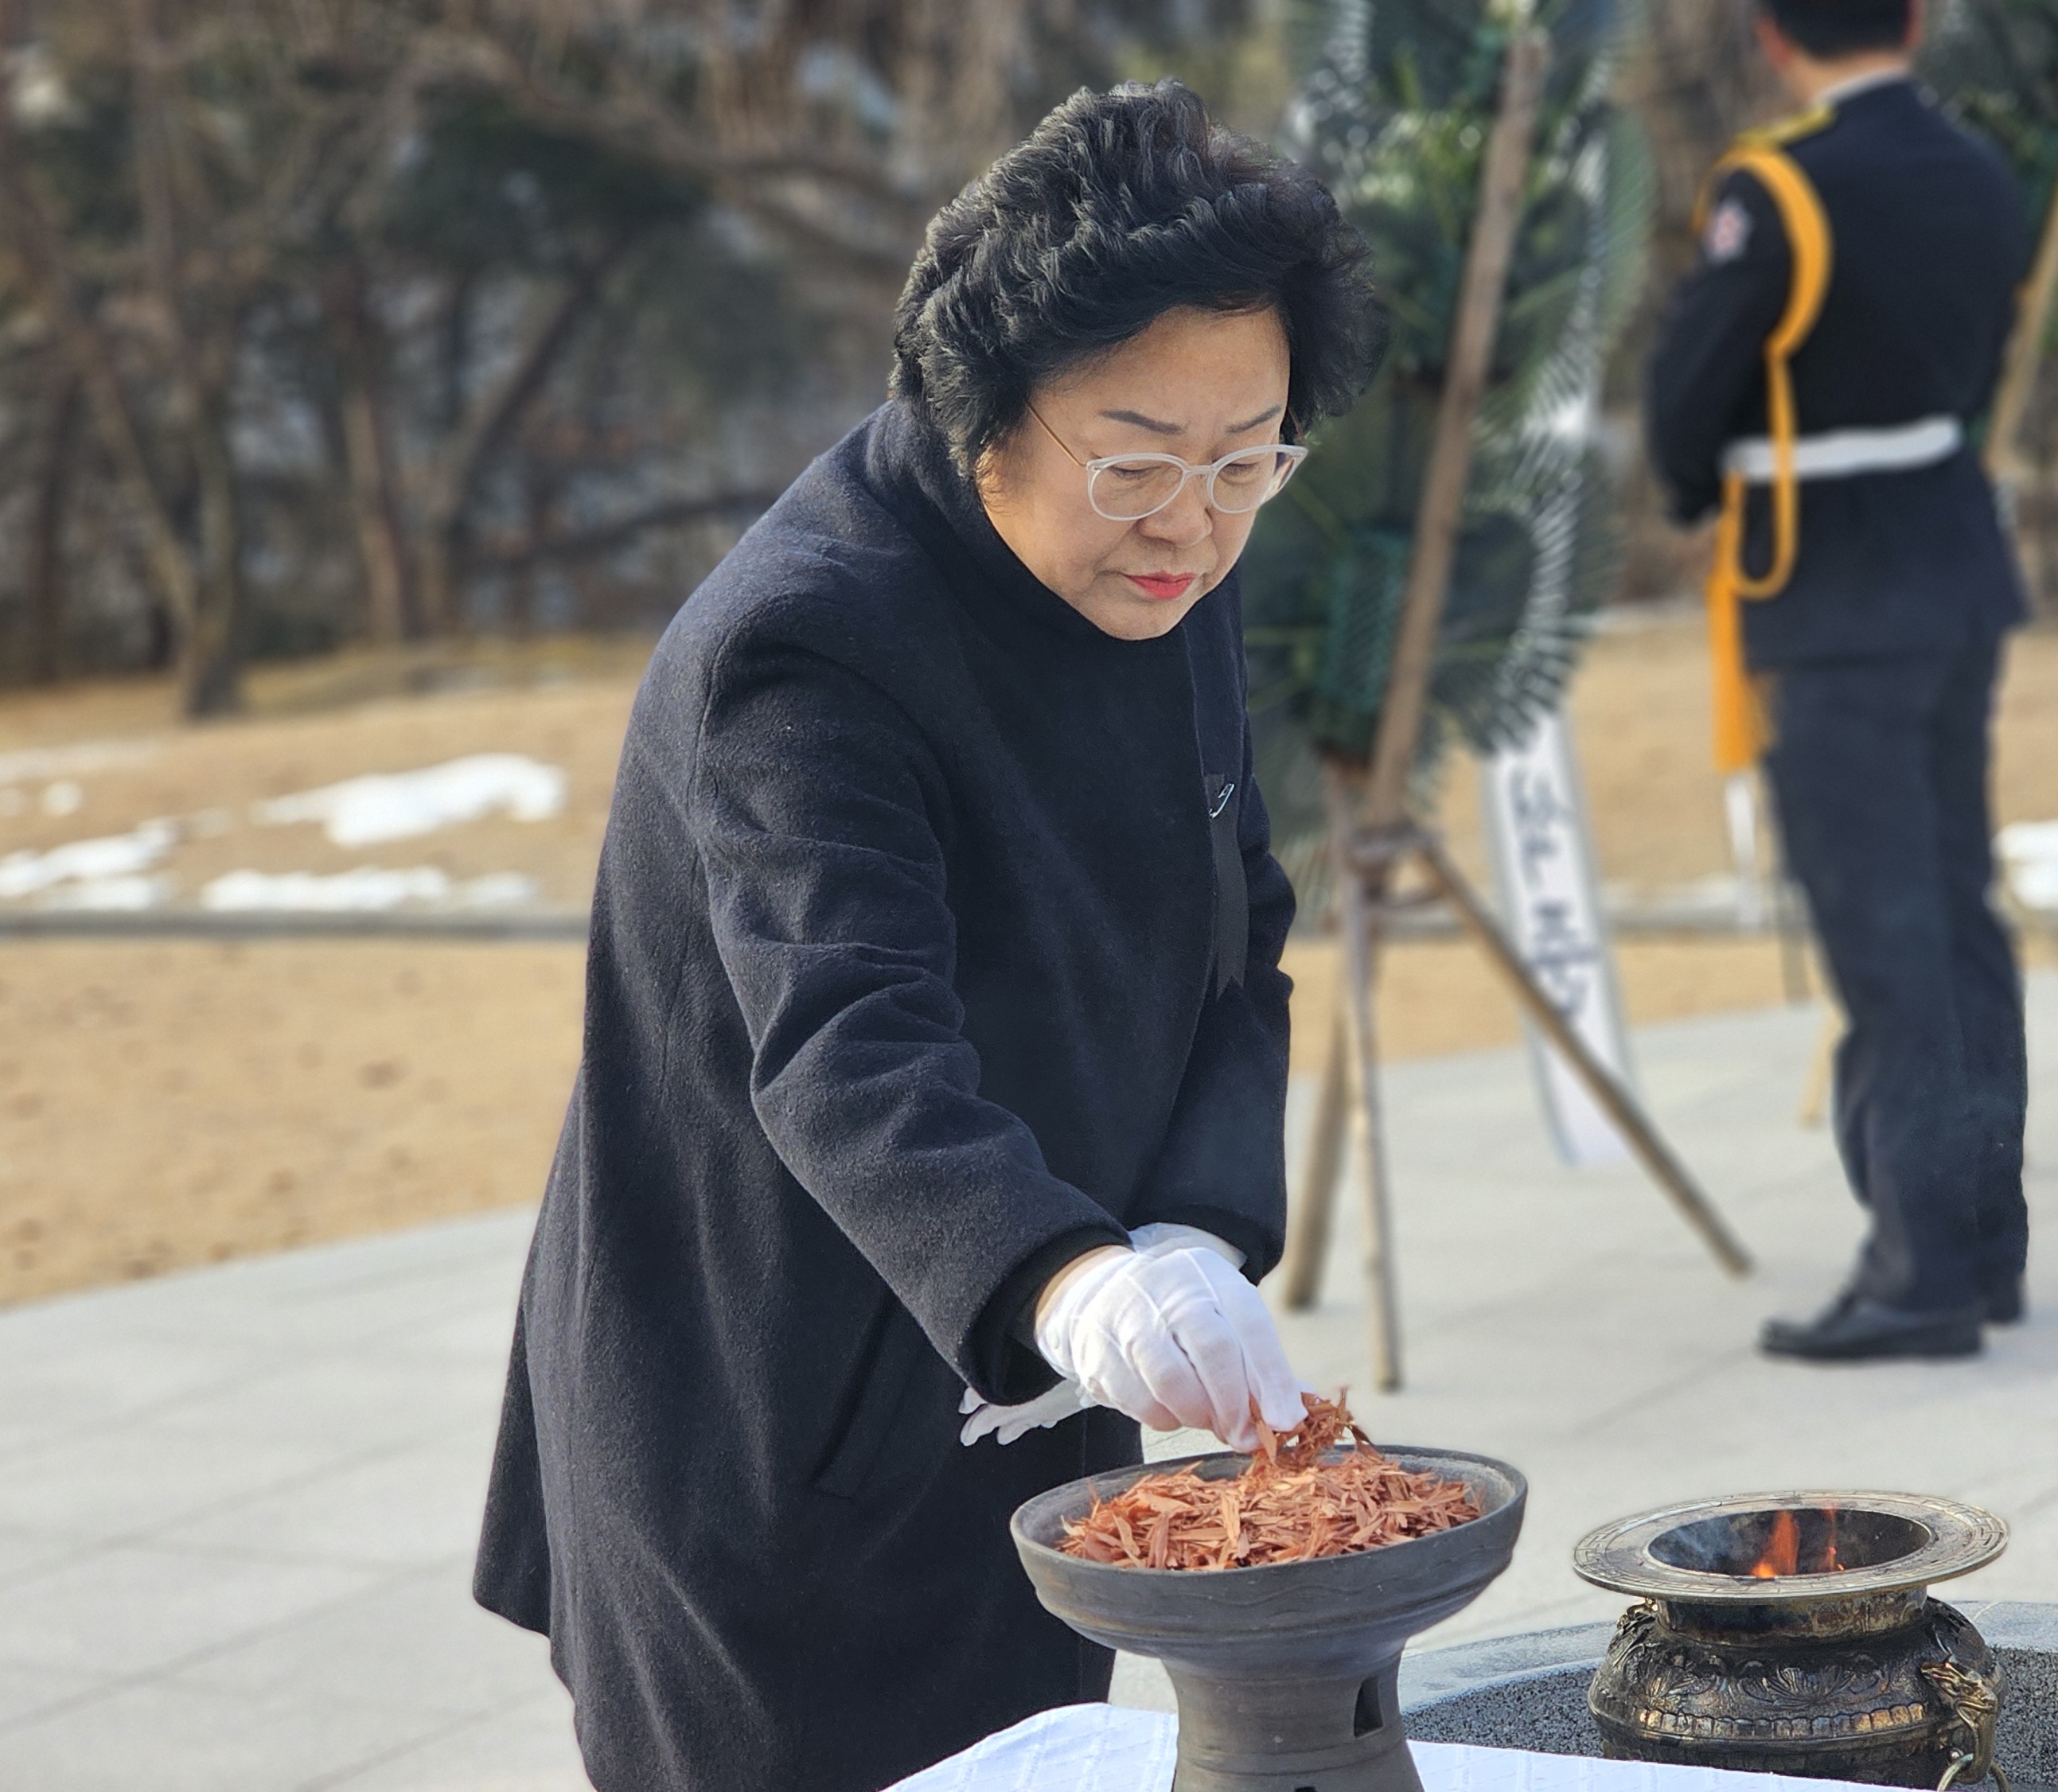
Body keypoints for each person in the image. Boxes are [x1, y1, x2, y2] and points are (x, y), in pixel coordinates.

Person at [470, 83, 1380, 1791]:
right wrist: (1069, 1274)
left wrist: (1188, 1220)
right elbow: (845, 1044)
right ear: (986, 413)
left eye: (1250, 458)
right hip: (772, 1433)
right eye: (1136, 460)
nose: (1194, 518)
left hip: (1035, 1389)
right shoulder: (806, 646)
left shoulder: (1163, 552)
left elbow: (1233, 925)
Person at [1645, 0, 2035, 1364]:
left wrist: (1696, 477)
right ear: (1915, 19)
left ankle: (1920, 1268)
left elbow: (1687, 399)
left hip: (1830, 585)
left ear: (1769, 34)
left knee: (1883, 942)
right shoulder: (1980, 169)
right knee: (1955, 912)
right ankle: (1984, 1244)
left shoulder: (1783, 184)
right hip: (1949, 559)